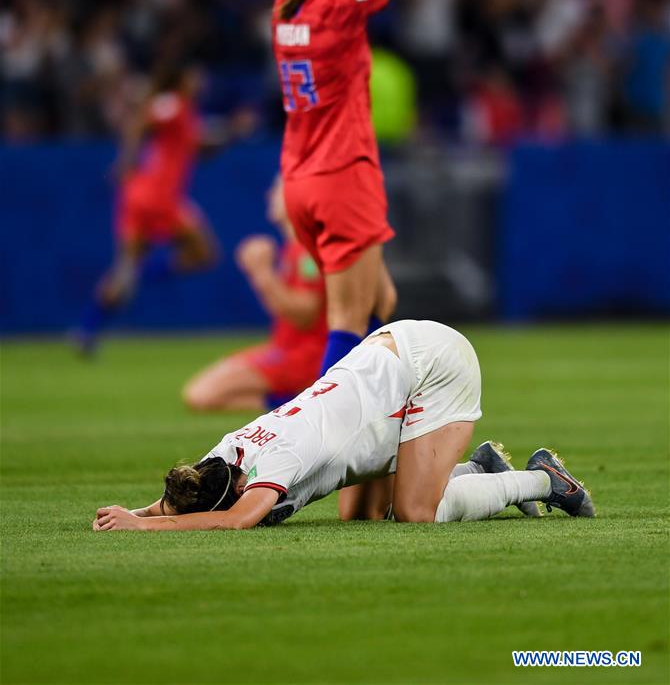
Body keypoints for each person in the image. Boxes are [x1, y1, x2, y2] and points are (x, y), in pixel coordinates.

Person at [273, 0, 436, 519]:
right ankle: (299, 465)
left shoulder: (288, 3)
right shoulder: (342, 9)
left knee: (380, 306)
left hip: (300, 182)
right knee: (346, 325)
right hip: (344, 176)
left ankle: (370, 475)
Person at [92, 320, 595, 531]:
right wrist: (136, 512)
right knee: (363, 514)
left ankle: (543, 480)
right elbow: (188, 496)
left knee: (415, 513)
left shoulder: (279, 460)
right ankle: (478, 469)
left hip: (433, 365)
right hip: (386, 357)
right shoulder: (224, 455)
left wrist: (144, 526)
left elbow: (236, 520)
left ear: (238, 489)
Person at [75, 62, 217, 353]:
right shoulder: (173, 103)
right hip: (158, 196)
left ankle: (87, 329)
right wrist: (126, 161)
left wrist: (230, 132)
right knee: (204, 253)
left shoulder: (185, 112)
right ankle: (139, 275)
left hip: (138, 196)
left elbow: (194, 147)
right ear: (180, 79)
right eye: (193, 75)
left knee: (124, 268)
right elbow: (140, 123)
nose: (199, 80)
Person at [183, 178, 327, 412]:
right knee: (201, 393)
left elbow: (305, 314)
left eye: (278, 189)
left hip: (304, 357)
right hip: (285, 349)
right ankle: (298, 400)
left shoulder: (307, 251)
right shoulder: (295, 248)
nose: (270, 194)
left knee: (202, 395)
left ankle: (302, 401)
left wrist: (262, 273)